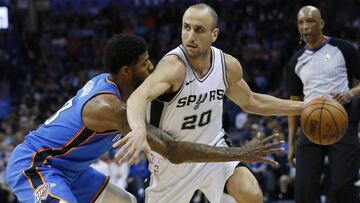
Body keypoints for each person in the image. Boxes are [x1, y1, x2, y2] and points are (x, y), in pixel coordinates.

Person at [5, 33, 285, 203]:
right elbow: (175, 150)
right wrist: (241, 153)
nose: (153, 67)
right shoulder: (110, 109)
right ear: (126, 72)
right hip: (37, 164)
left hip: (71, 170)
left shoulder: (123, 90)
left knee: (124, 200)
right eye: (146, 63)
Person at [120, 3, 305, 203]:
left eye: (199, 30)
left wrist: (304, 107)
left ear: (214, 34)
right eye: (186, 27)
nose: (190, 36)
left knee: (251, 194)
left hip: (214, 152)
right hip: (171, 162)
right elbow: (138, 97)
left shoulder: (227, 65)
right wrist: (139, 129)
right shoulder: (173, 66)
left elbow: (251, 101)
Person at [287, 5, 360, 203]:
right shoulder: (296, 60)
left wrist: (350, 93)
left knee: (343, 187)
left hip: (342, 122)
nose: (305, 26)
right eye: (301, 22)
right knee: (304, 191)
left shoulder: (343, 49)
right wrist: (292, 142)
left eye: (310, 21)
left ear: (321, 23)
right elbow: (293, 104)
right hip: (310, 126)